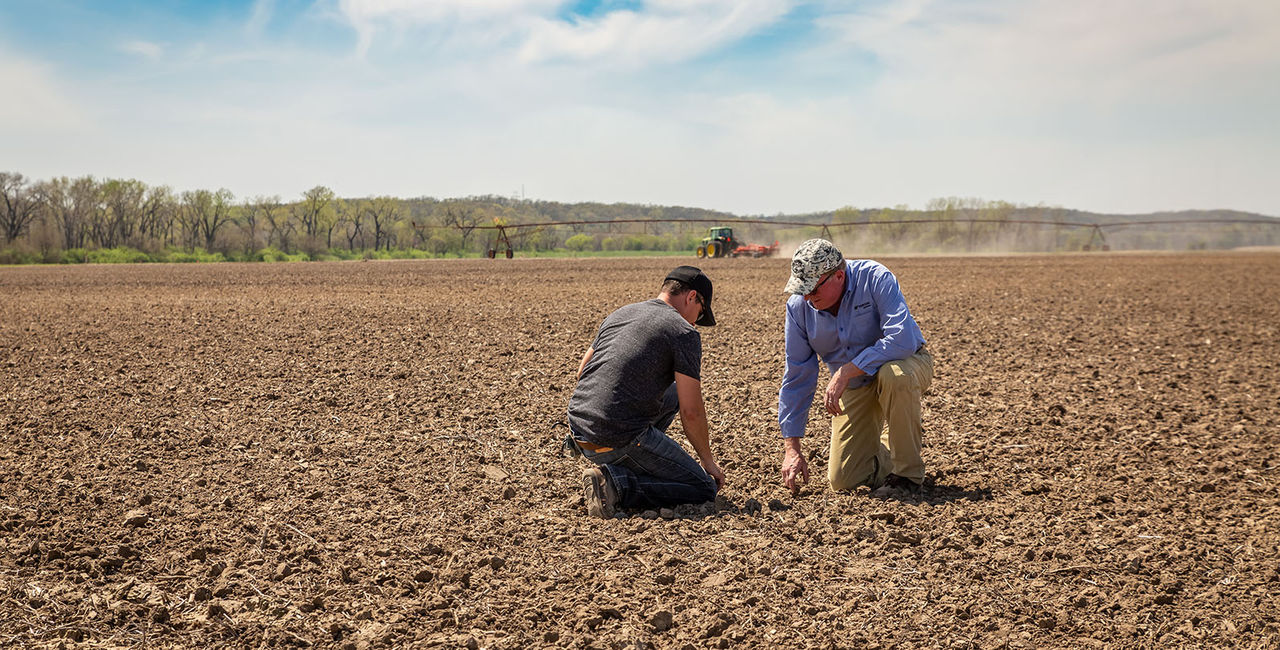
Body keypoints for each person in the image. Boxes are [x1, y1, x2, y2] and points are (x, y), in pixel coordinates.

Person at [566, 266, 726, 518]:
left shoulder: (622, 313)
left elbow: (582, 372)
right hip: (615, 437)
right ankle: (615, 484)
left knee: (672, 394)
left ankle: (633, 462)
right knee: (702, 487)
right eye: (701, 312)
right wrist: (707, 461)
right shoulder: (683, 332)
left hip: (579, 430)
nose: (696, 321)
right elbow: (691, 411)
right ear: (692, 297)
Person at [777, 239, 934, 496]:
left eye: (812, 289)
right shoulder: (799, 308)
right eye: (801, 289)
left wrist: (847, 370)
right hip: (857, 385)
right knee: (844, 479)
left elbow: (902, 339)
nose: (807, 297)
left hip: (906, 364)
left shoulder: (875, 278)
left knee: (894, 376)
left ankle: (907, 476)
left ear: (838, 276)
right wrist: (792, 449)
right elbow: (797, 376)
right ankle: (895, 445)